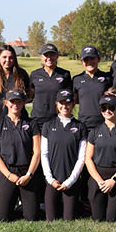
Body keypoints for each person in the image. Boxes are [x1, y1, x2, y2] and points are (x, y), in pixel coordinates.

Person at [0, 90, 41, 221]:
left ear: (23, 104)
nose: (15, 105)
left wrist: (29, 175)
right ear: (6, 103)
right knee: (2, 218)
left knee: (32, 217)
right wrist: (8, 174)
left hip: (27, 172)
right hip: (8, 172)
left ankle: (21, 205)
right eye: (12, 101)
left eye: (18, 102)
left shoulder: (31, 123)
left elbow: (37, 152)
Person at [85, 90, 116, 222]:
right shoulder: (94, 131)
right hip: (97, 176)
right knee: (98, 218)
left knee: (112, 218)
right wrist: (99, 181)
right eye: (103, 108)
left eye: (111, 107)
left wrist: (114, 180)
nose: (107, 111)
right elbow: (88, 159)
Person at [41, 89, 87, 221]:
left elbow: (81, 158)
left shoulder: (80, 127)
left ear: (73, 104)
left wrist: (70, 181)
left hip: (70, 181)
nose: (65, 106)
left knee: (69, 218)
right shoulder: (48, 126)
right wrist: (50, 179)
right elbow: (44, 154)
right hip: (52, 180)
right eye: (61, 103)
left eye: (68, 103)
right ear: (56, 104)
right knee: (50, 218)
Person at [29, 43, 72, 130]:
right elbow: (30, 95)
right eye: (46, 55)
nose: (49, 58)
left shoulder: (65, 74)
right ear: (41, 56)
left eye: (52, 54)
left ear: (57, 56)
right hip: (38, 120)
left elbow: (69, 97)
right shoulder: (35, 74)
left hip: (58, 119)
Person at [73, 45, 112, 131]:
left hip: (104, 122)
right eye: (86, 60)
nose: (89, 62)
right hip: (83, 124)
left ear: (98, 59)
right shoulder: (76, 79)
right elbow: (75, 100)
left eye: (92, 58)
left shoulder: (107, 78)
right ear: (82, 62)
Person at [0, 45, 30, 121]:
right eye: (4, 57)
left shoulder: (21, 74)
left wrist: (20, 104)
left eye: (11, 57)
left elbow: (30, 94)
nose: (7, 60)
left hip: (20, 119)